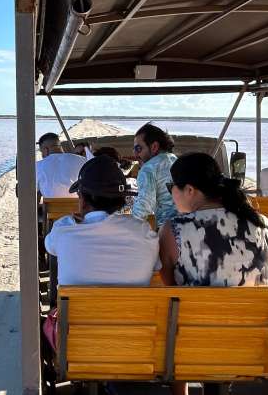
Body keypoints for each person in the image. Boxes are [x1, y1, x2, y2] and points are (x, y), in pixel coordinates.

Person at [157, 152, 268, 395]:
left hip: (199, 345)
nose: (171, 194)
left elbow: (168, 287)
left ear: (189, 189)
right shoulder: (263, 223)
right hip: (261, 342)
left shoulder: (174, 229)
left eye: (172, 187)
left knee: (170, 314)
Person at [42, 156, 160, 347]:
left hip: (77, 347)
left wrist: (74, 223)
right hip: (137, 345)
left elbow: (49, 246)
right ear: (123, 200)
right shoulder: (143, 231)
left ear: (82, 199)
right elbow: (156, 265)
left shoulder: (64, 229)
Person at [132, 123, 178, 228]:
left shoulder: (148, 169)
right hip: (187, 225)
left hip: (168, 229)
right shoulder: (175, 159)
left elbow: (144, 207)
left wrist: (127, 224)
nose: (135, 154)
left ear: (154, 147)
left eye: (138, 149)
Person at [36, 132, 87, 198]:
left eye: (41, 152)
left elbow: (31, 190)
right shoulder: (83, 160)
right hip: (78, 206)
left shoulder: (38, 165)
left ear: (46, 150)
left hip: (51, 207)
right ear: (60, 146)